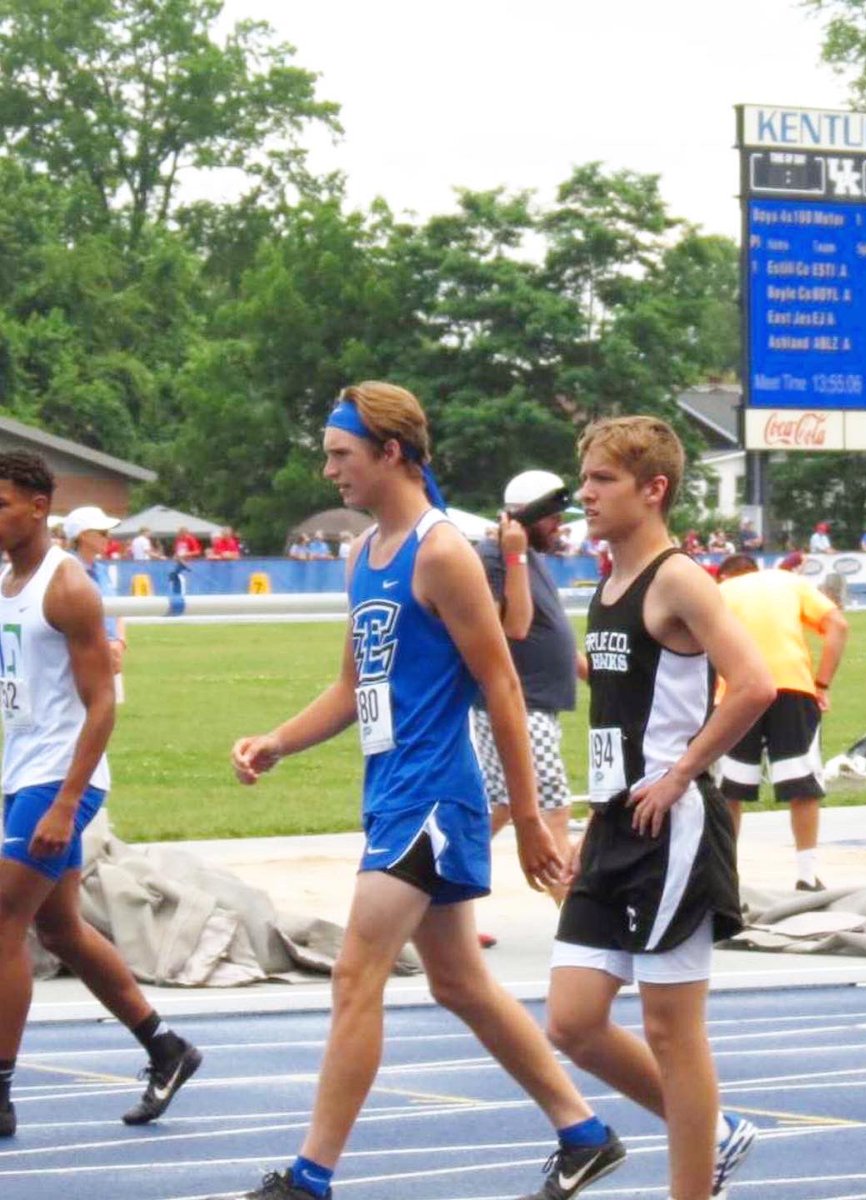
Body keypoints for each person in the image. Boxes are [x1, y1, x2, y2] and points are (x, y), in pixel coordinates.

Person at [228, 382, 624, 1200]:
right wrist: (278, 741)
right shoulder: (361, 555)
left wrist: (531, 822)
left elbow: (502, 684)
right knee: (459, 982)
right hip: (390, 789)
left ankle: (310, 1177)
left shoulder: (443, 553)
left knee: (355, 976)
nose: (329, 469)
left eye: (340, 454)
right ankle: (583, 1133)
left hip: (433, 798)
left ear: (391, 453)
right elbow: (353, 687)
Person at [544, 415, 775, 1200]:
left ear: (654, 489)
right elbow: (618, 717)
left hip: (672, 828)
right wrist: (590, 822)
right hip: (617, 823)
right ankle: (715, 1132)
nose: (585, 494)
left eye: (602, 480)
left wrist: (680, 775)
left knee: (672, 1031)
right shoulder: (607, 585)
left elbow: (754, 684)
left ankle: (693, 1184)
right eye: (585, 479)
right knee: (572, 1021)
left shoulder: (678, 580)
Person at [0, 453, 201, 1140]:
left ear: (38, 506)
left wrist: (66, 802)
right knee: (59, 929)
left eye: (1, 504)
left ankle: (0, 1093)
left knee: (4, 919)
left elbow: (102, 704)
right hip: (21, 773)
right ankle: (166, 1048)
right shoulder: (8, 582)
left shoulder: (67, 587)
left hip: (60, 780)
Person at [473, 469, 580, 906]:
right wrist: (514, 555)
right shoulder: (495, 557)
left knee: (499, 806)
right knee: (552, 809)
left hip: (534, 704)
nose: (560, 526)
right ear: (526, 516)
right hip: (520, 706)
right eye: (552, 517)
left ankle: (437, 895)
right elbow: (515, 627)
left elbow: (547, 628)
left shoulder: (529, 556)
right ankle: (576, 919)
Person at [715, 553, 850, 890]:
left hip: (737, 689)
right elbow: (838, 625)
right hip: (793, 686)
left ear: (725, 576)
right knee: (801, 783)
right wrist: (822, 685)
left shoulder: (720, 592)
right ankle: (806, 875)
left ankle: (727, 877)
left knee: (729, 788)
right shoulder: (790, 582)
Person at [63, 506, 129, 701]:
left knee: (106, 714)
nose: (108, 538)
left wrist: (119, 642)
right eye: (102, 533)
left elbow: (118, 611)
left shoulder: (102, 570)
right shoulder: (65, 570)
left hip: (110, 654)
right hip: (80, 659)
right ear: (83, 535)